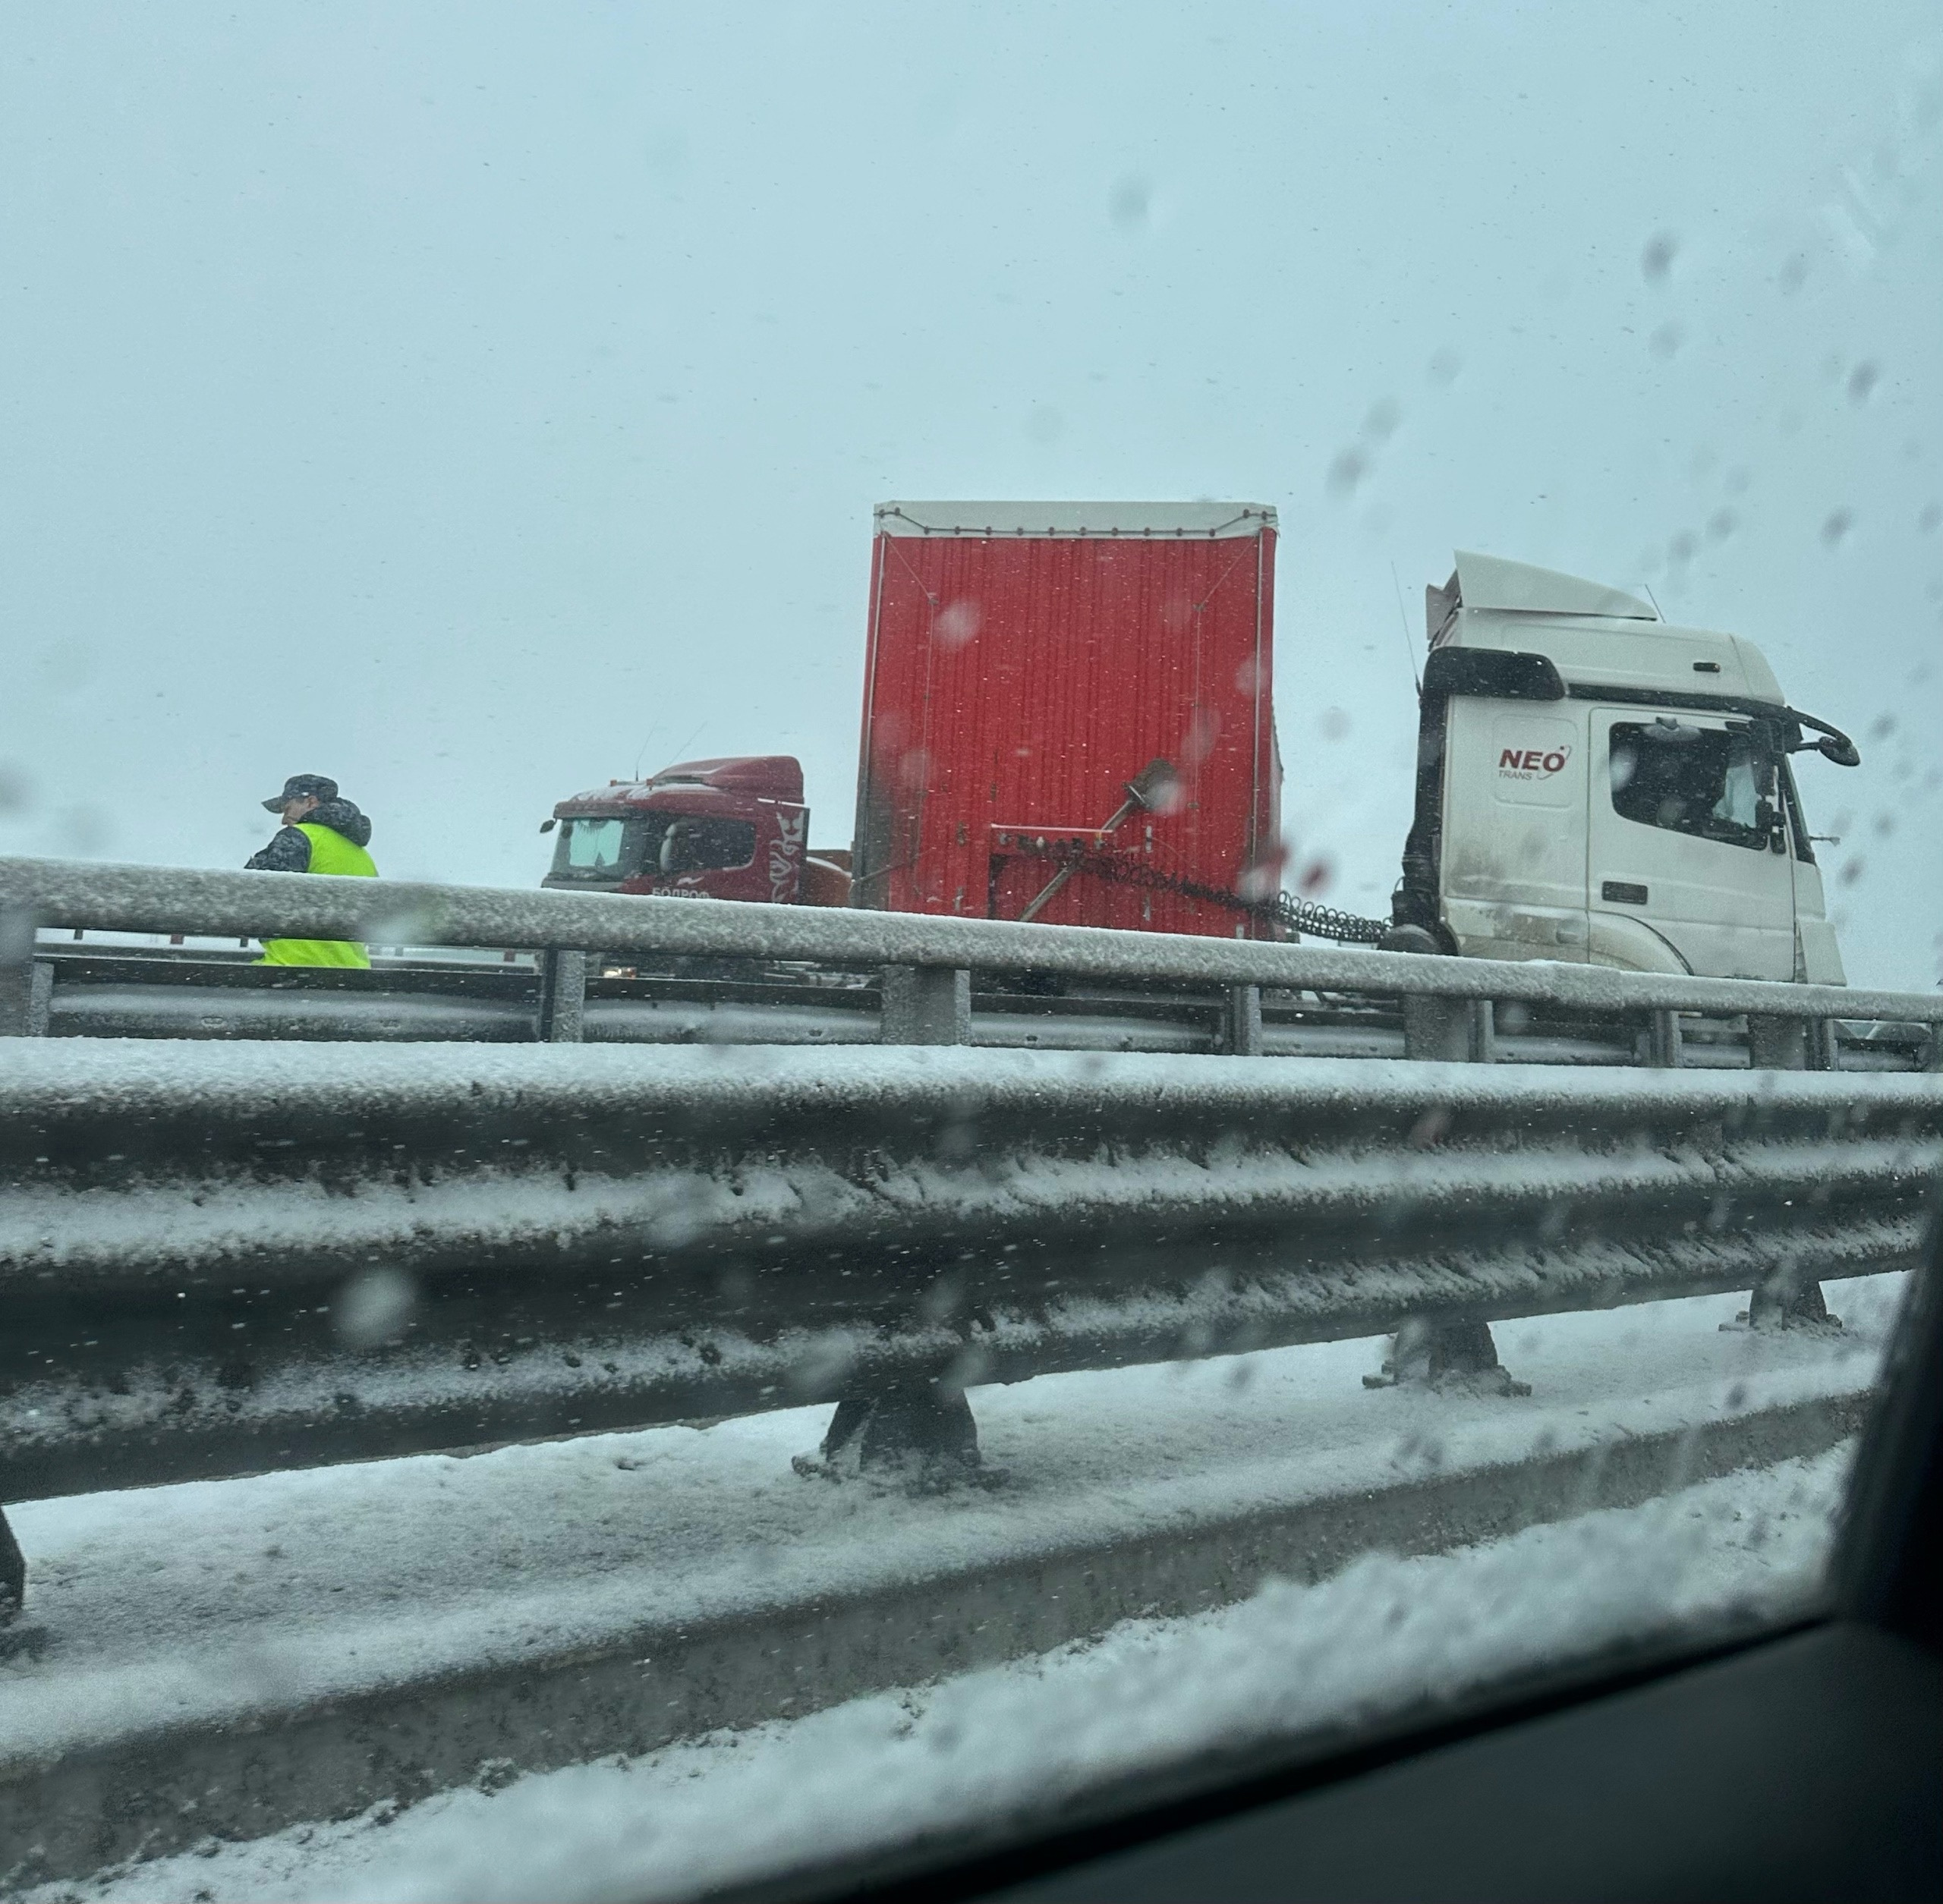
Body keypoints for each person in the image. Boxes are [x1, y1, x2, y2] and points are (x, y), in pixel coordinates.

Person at [246, 773, 378, 967]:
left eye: (288, 809)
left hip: (291, 969)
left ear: (311, 802)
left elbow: (252, 898)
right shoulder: (362, 855)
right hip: (353, 973)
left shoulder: (299, 837)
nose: (284, 820)